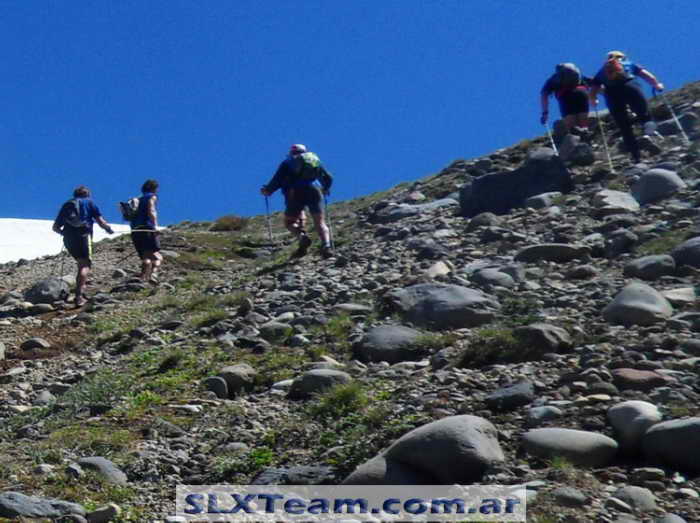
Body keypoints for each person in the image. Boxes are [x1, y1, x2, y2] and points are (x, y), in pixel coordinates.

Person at [589, 50, 665, 163]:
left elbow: (593, 90)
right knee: (642, 110)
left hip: (612, 94)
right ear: (622, 57)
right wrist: (656, 85)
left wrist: (593, 99)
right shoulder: (628, 63)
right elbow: (646, 75)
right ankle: (647, 124)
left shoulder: (602, 71)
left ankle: (635, 155)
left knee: (624, 125)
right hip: (630, 86)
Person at [261, 144, 334, 258]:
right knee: (320, 222)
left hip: (296, 193)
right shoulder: (314, 160)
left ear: (291, 152)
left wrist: (268, 190)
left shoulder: (287, 162)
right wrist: (325, 188)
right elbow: (328, 177)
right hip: (315, 191)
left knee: (289, 222)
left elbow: (277, 180)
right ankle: (327, 246)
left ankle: (302, 237)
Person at [52, 185, 114, 306]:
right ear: (87, 194)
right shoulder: (89, 203)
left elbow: (55, 227)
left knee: (81, 263)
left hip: (69, 239)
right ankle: (79, 296)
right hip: (84, 236)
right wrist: (108, 229)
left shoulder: (67, 205)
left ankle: (79, 293)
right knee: (85, 265)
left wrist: (65, 233)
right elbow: (100, 221)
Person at [540, 63, 591, 136]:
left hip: (565, 96)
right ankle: (586, 136)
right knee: (584, 124)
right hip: (581, 93)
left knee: (572, 128)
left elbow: (544, 95)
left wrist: (545, 113)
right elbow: (594, 83)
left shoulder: (553, 79)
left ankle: (577, 139)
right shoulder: (578, 76)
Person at [130, 179, 163, 283]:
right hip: (147, 228)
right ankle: (154, 273)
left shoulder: (137, 199)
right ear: (154, 188)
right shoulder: (151, 197)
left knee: (145, 255)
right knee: (157, 257)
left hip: (135, 231)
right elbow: (151, 210)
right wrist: (155, 226)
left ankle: (143, 277)